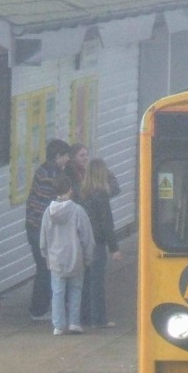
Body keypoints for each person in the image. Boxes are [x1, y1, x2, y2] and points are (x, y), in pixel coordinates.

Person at [40, 175, 94, 336]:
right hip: (75, 257)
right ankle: (74, 323)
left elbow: (43, 238)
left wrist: (45, 255)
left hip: (56, 258)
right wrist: (88, 257)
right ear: (70, 190)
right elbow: (87, 237)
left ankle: (58, 325)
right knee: (75, 290)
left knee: (57, 292)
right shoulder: (78, 211)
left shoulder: (47, 213)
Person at [24, 138, 71, 320]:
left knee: (44, 268)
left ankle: (41, 308)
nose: (67, 159)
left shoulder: (44, 170)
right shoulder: (51, 175)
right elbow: (46, 206)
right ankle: (38, 310)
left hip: (33, 227)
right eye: (66, 155)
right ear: (58, 156)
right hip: (40, 229)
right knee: (45, 269)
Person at [79, 158, 122, 328]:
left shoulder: (82, 194)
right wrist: (114, 248)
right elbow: (107, 223)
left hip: (83, 242)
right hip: (97, 243)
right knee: (97, 283)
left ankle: (84, 317)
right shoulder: (101, 195)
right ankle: (99, 319)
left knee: (85, 282)